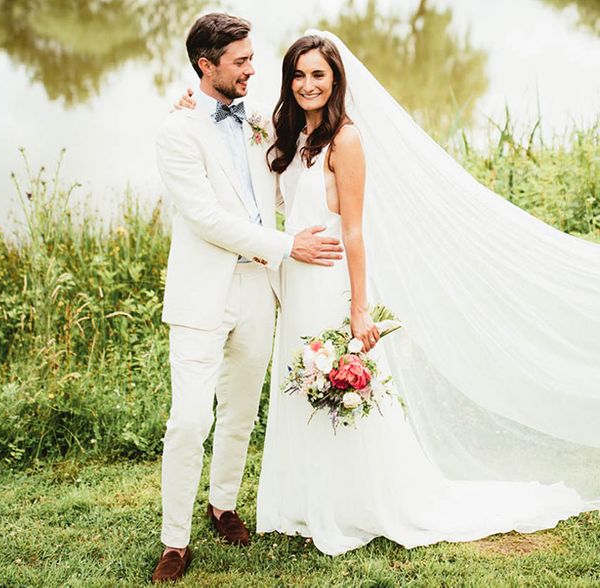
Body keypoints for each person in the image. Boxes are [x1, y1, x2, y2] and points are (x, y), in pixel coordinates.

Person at [178, 29, 600, 558]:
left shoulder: (345, 140)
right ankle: (305, 503)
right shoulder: (288, 133)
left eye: (319, 75)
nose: (308, 85)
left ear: (337, 81)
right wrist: (190, 99)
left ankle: (354, 505)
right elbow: (230, 113)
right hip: (292, 285)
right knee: (300, 391)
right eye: (299, 75)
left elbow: (354, 230)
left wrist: (358, 309)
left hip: (330, 283)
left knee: (339, 391)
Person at [151, 13, 344, 583]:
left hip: (258, 288)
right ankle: (174, 541)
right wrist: (288, 245)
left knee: (240, 410)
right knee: (189, 419)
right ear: (205, 66)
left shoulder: (260, 121)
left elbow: (314, 120)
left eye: (253, 59)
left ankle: (223, 505)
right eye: (240, 62)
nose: (253, 70)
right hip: (201, 293)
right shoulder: (176, 131)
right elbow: (207, 218)